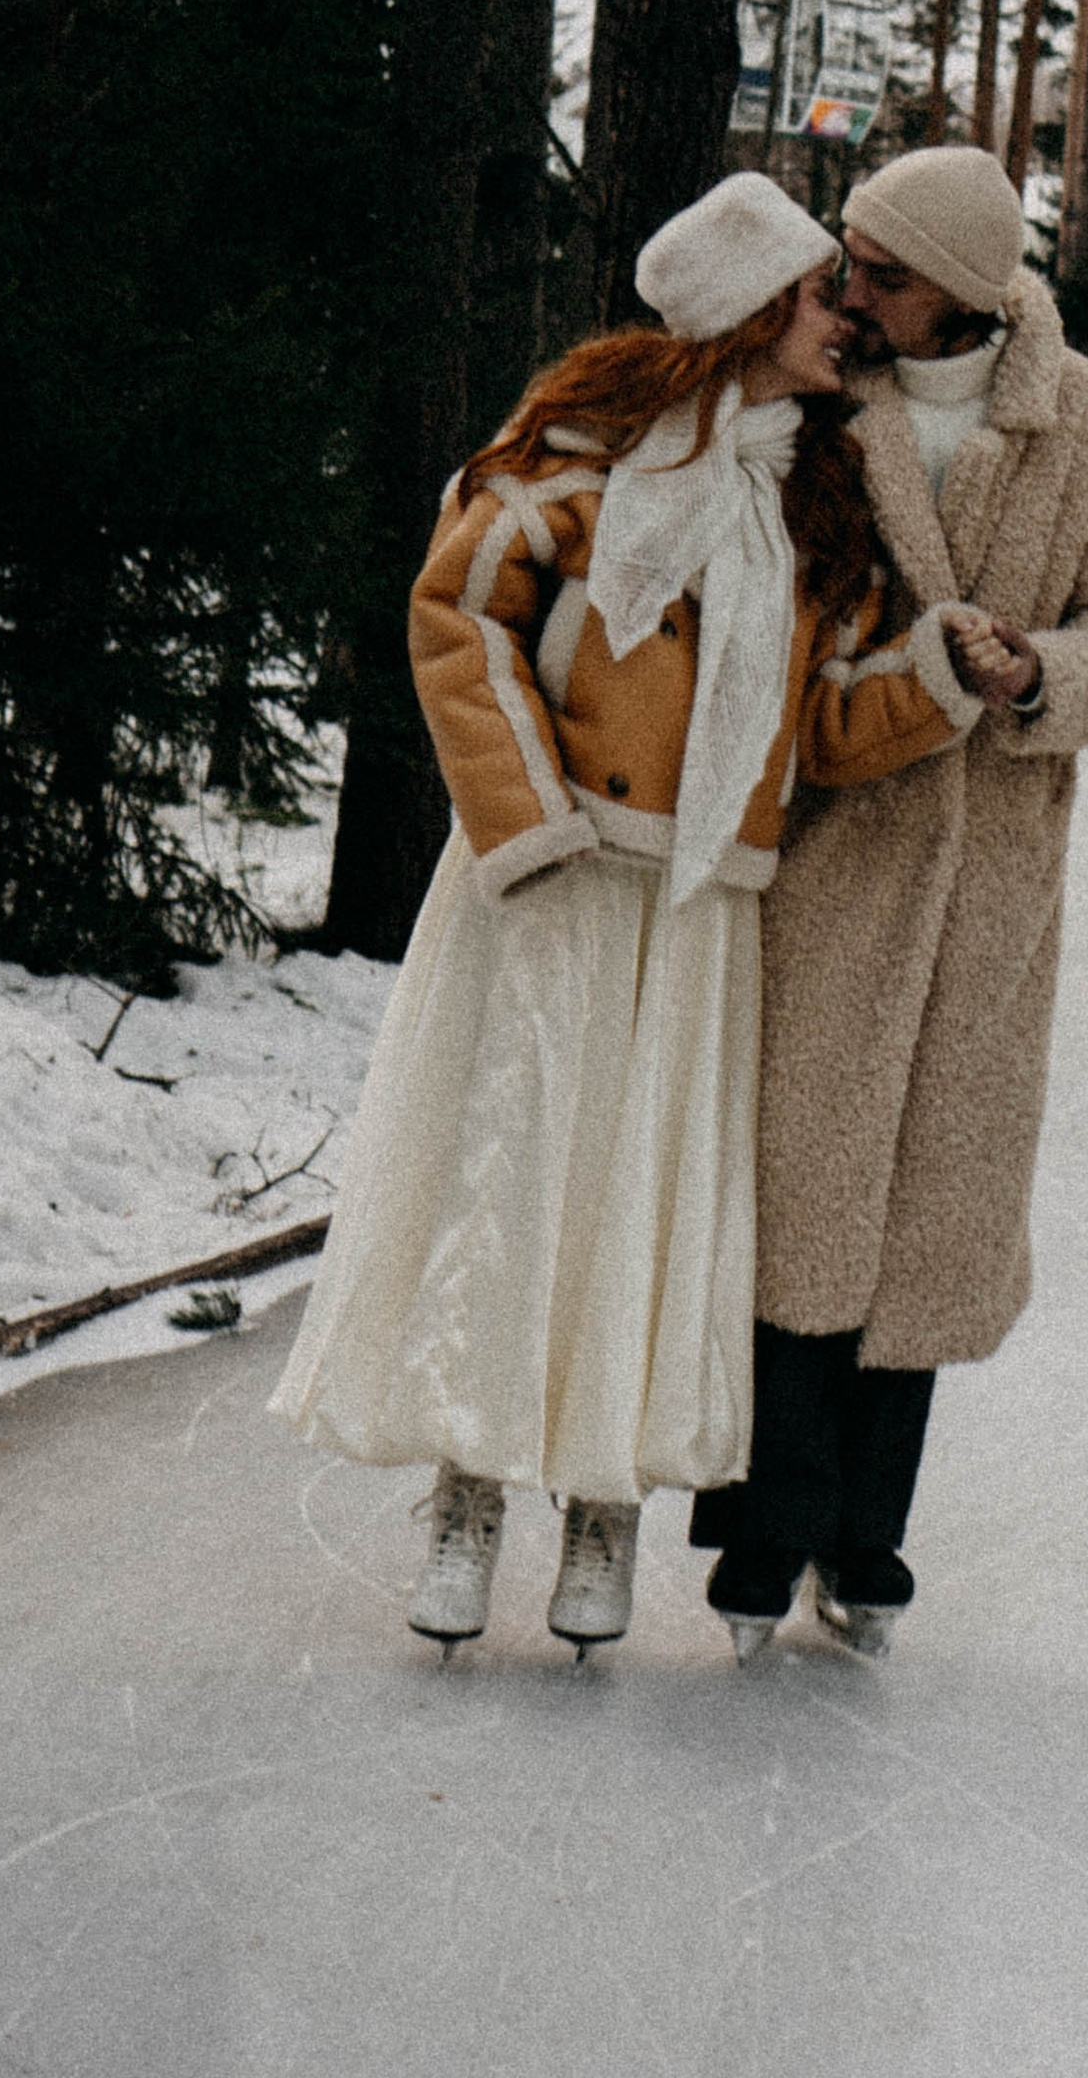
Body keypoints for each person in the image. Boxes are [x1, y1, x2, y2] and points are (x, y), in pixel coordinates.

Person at [273, 172, 986, 1656]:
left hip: (703, 911)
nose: (840, 320)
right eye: (813, 295)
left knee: (647, 1210)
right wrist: (526, 820)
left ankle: (604, 1514)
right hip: (561, 881)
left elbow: (827, 727)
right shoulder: (582, 464)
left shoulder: (816, 487)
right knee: (512, 1176)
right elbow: (455, 613)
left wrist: (941, 677)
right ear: (743, 313)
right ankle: (470, 1492)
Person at [691, 142, 1088, 1660]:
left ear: (966, 294)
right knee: (802, 1200)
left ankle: (867, 1536)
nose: (849, 291)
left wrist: (1040, 676)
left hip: (988, 881)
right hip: (837, 853)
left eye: (883, 274)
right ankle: (761, 1536)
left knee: (926, 1220)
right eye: (848, 260)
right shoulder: (822, 404)